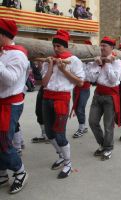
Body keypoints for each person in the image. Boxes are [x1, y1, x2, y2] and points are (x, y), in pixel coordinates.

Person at [41, 30, 85, 179]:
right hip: (47, 97)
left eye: (59, 46)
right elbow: (44, 83)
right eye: (54, 46)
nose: (55, 49)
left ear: (65, 46)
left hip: (61, 99)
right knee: (49, 132)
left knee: (59, 134)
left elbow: (80, 82)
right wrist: (50, 65)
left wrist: (63, 70)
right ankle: (60, 155)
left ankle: (68, 163)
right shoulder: (50, 59)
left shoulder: (74, 60)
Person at [0, 18, 29, 194]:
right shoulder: (3, 52)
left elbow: (10, 79)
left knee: (3, 142)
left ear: (3, 35)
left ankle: (20, 171)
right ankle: (2, 173)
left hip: (10, 104)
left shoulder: (17, 54)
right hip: (3, 101)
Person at [87, 36, 121, 160]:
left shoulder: (117, 62)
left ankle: (108, 148)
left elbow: (113, 80)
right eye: (100, 46)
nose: (101, 48)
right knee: (92, 122)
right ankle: (103, 144)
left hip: (110, 96)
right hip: (98, 94)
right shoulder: (96, 60)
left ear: (112, 48)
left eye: (104, 46)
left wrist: (107, 64)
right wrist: (97, 65)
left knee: (108, 125)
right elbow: (91, 79)